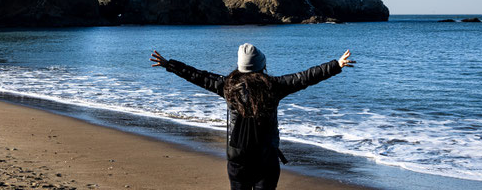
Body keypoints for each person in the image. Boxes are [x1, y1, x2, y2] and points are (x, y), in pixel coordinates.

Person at [150, 43, 353, 190]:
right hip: (266, 157)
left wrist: (170, 64)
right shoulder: (274, 86)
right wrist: (336, 65)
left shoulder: (227, 85)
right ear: (261, 65)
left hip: (238, 157)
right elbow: (305, 77)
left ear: (240, 66)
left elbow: (198, 76)